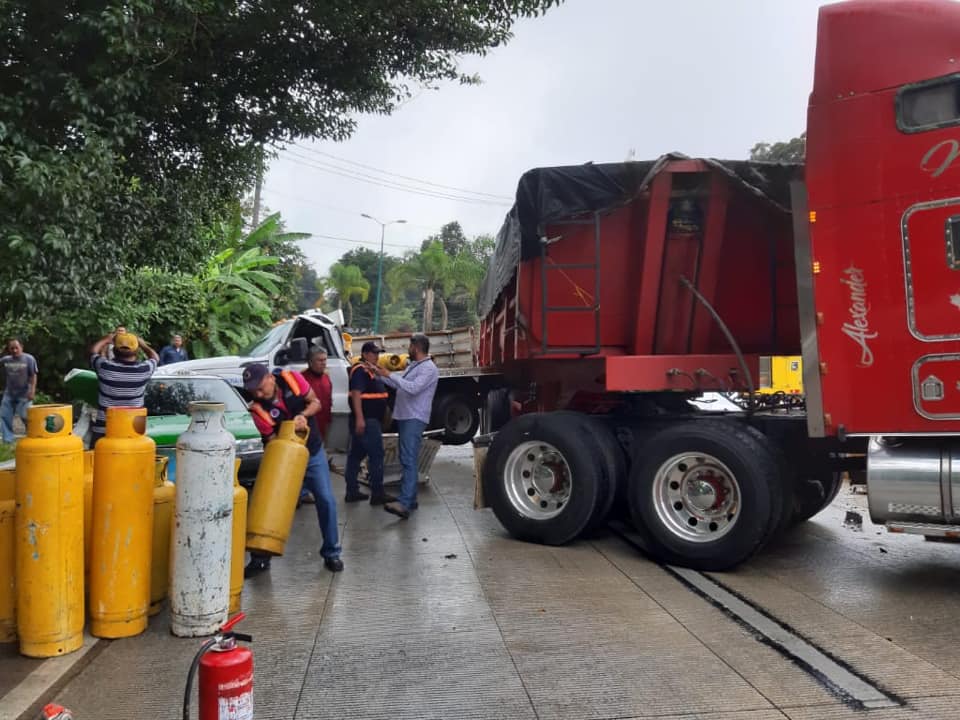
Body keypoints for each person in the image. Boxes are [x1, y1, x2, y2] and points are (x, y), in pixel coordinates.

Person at [241, 363, 343, 576]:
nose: (258, 394)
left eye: (260, 388)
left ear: (270, 378)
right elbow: (272, 441)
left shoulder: (292, 379)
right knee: (270, 505)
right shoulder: (257, 410)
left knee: (326, 500)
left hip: (312, 452)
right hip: (283, 462)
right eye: (253, 391)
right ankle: (260, 558)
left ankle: (332, 553)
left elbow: (316, 402)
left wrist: (303, 416)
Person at [368, 333, 439, 519]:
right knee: (407, 458)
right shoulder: (414, 366)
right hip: (406, 416)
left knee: (408, 459)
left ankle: (405, 503)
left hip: (414, 417)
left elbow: (413, 388)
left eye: (410, 346)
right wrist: (380, 374)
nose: (408, 349)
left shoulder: (428, 368)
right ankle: (411, 499)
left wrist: (389, 374)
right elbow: (399, 383)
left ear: (416, 347)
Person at [343, 341, 394, 506]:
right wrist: (360, 418)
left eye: (378, 353)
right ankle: (377, 493)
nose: (377, 356)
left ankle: (352, 491)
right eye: (374, 353)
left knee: (356, 455)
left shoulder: (372, 370)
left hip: (369, 420)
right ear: (365, 354)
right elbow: (356, 394)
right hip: (367, 420)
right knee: (376, 455)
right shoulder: (360, 370)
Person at [89, 331, 158, 445]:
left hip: (105, 431)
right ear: (137, 351)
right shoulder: (144, 370)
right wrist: (143, 344)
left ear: (114, 350)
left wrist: (106, 339)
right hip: (133, 431)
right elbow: (155, 357)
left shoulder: (104, 367)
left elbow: (93, 352)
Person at [0, 339, 38, 444]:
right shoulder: (6, 360)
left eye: (16, 348)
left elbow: (33, 376)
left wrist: (32, 390)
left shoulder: (29, 359)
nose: (14, 350)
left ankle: (32, 436)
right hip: (9, 393)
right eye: (12, 348)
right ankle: (8, 440)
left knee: (26, 416)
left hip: (24, 393)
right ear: (9, 349)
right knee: (5, 416)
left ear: (21, 347)